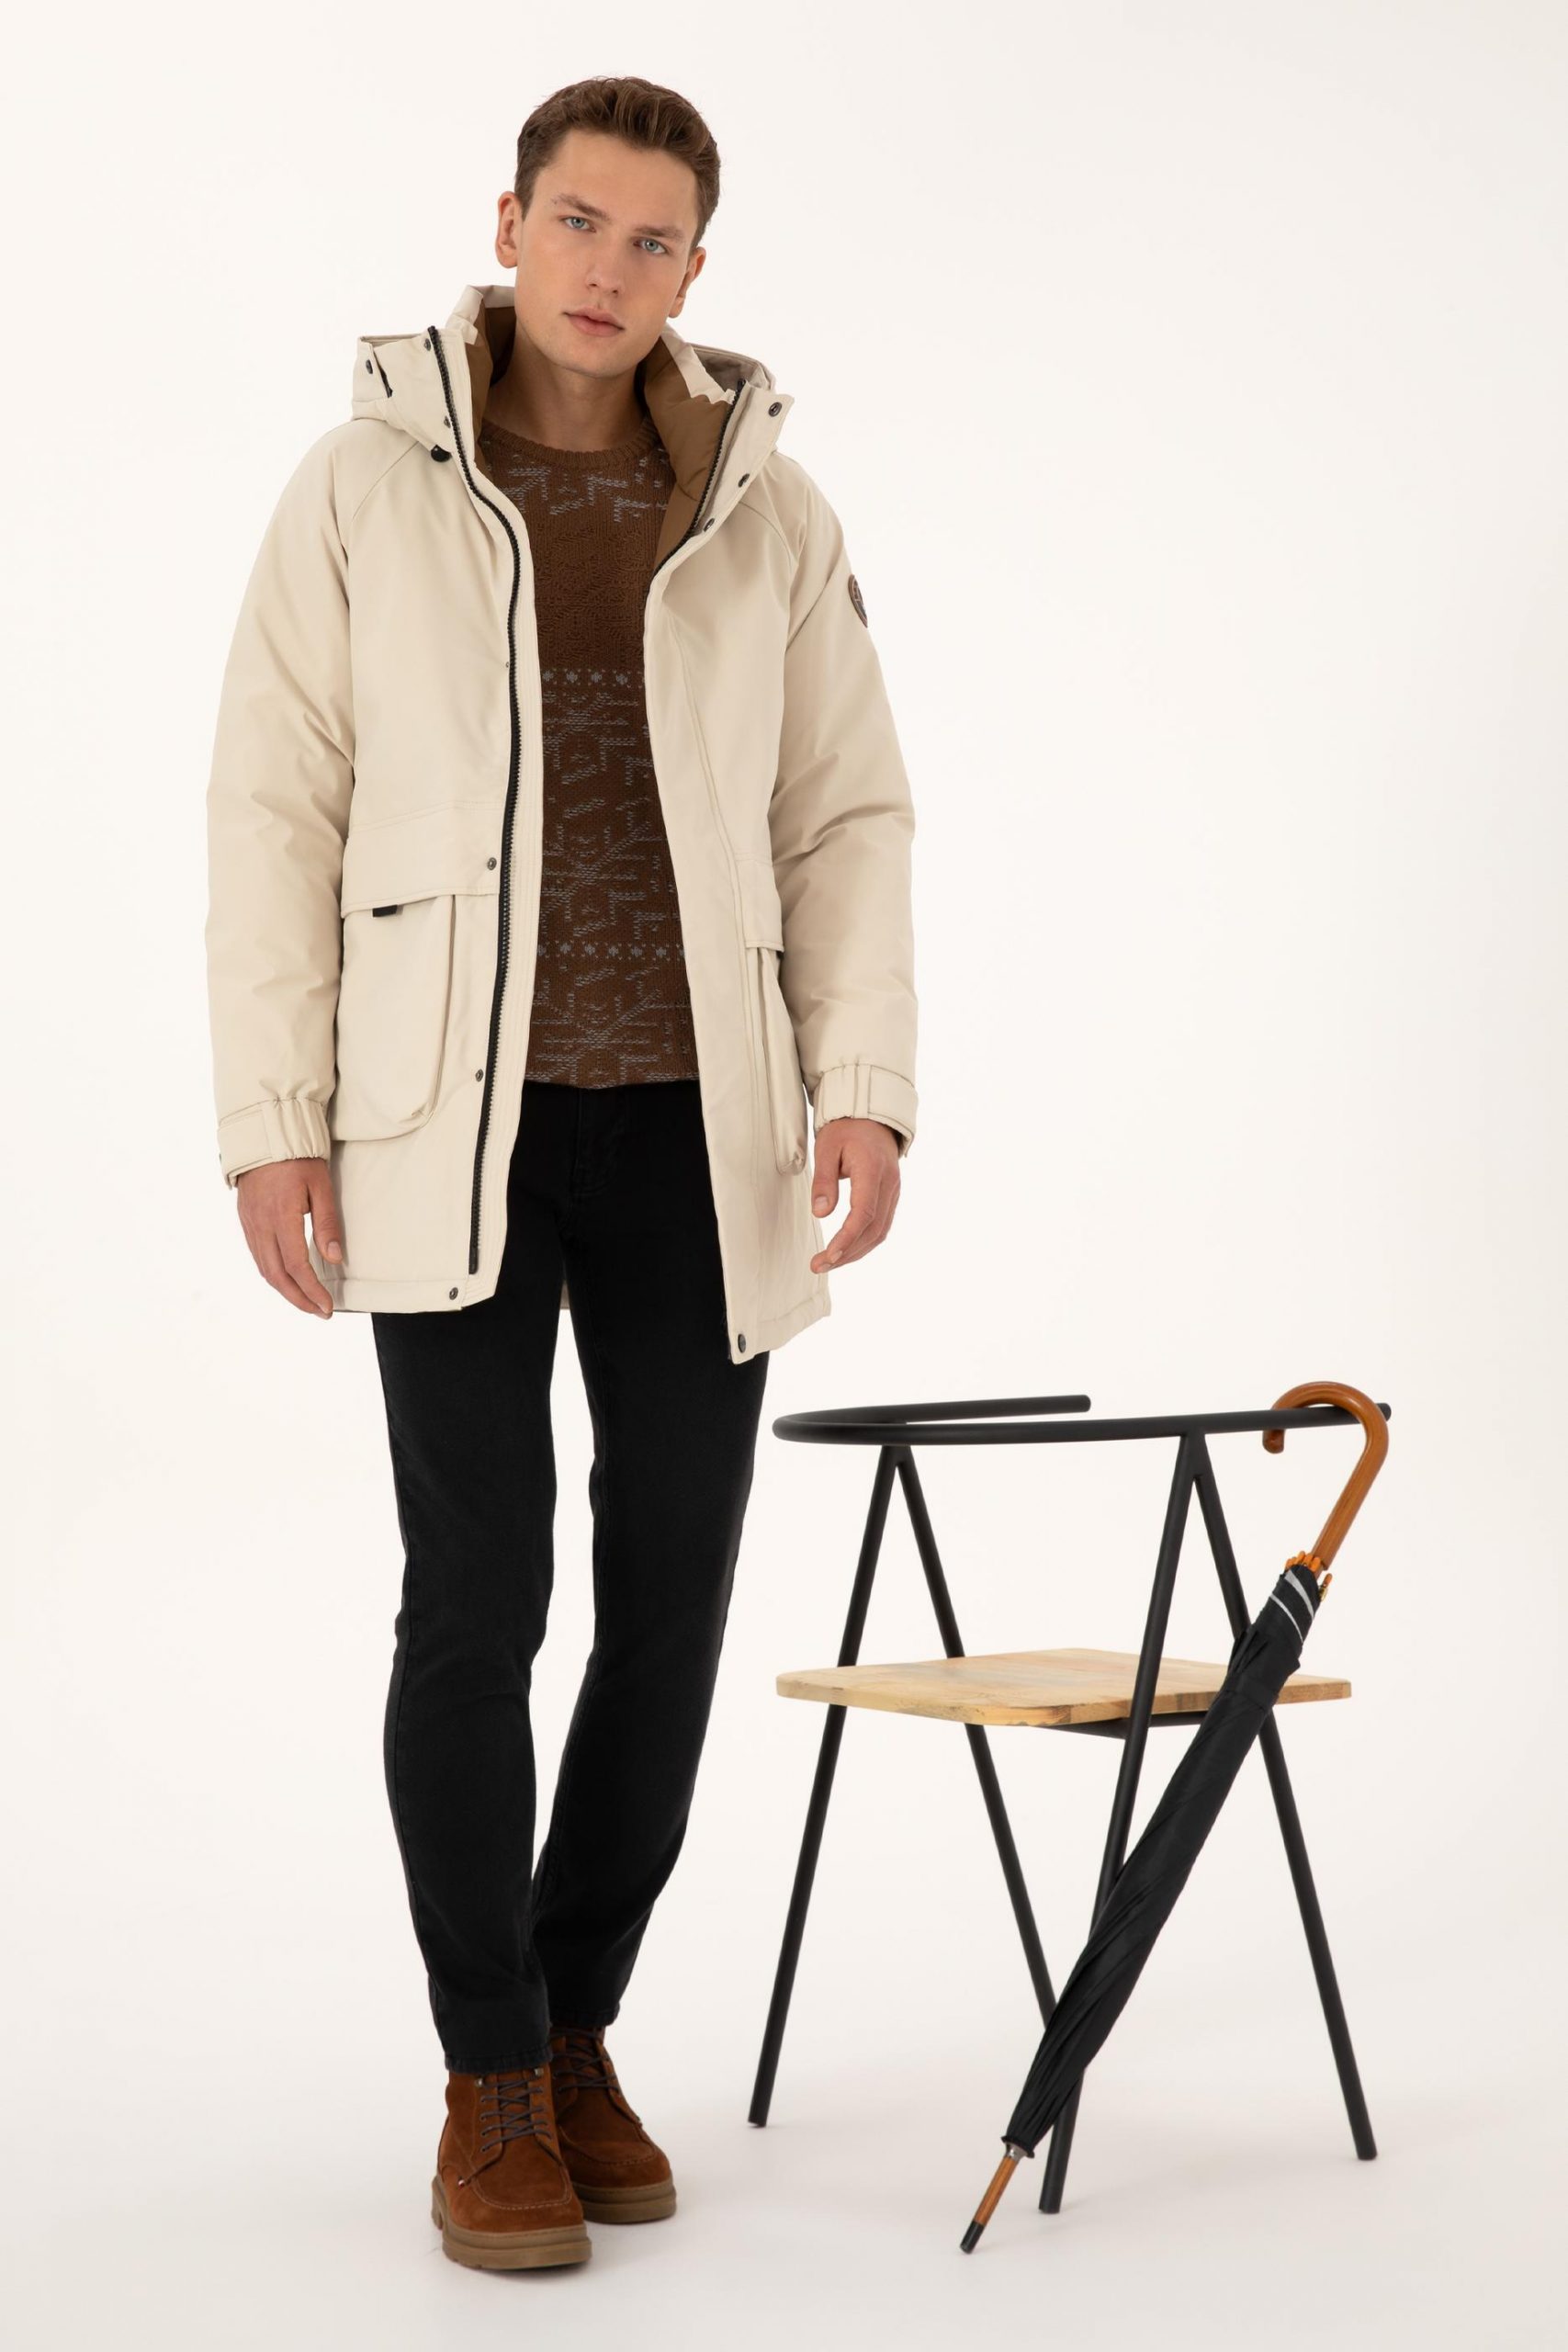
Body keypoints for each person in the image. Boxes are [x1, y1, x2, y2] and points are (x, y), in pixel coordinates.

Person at [203, 74, 919, 2273]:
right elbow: (275, 803)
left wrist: (862, 1079)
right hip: (452, 1123)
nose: (609, 271)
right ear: (507, 223)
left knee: (672, 1598)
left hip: (699, 1123)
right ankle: (486, 2071)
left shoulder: (760, 506)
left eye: (653, 239)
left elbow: (842, 810)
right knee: (476, 1598)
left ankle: (575, 2020)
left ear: (696, 266)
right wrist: (275, 1112)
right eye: (579, 223)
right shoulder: (367, 486)